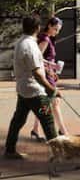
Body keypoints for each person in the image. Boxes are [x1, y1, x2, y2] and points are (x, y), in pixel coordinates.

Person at [4, 15, 59, 161]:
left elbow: (35, 65)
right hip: (35, 93)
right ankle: (58, 153)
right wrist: (50, 88)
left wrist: (48, 69)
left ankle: (9, 150)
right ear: (37, 28)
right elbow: (36, 73)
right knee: (48, 121)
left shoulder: (21, 42)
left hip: (23, 91)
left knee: (17, 121)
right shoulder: (30, 46)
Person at [31, 17, 67, 139]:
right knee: (55, 102)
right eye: (56, 29)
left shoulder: (45, 37)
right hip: (45, 75)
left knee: (45, 103)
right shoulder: (45, 39)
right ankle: (63, 131)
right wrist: (51, 67)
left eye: (59, 30)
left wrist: (51, 68)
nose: (57, 32)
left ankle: (35, 129)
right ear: (50, 26)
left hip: (47, 73)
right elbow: (38, 58)